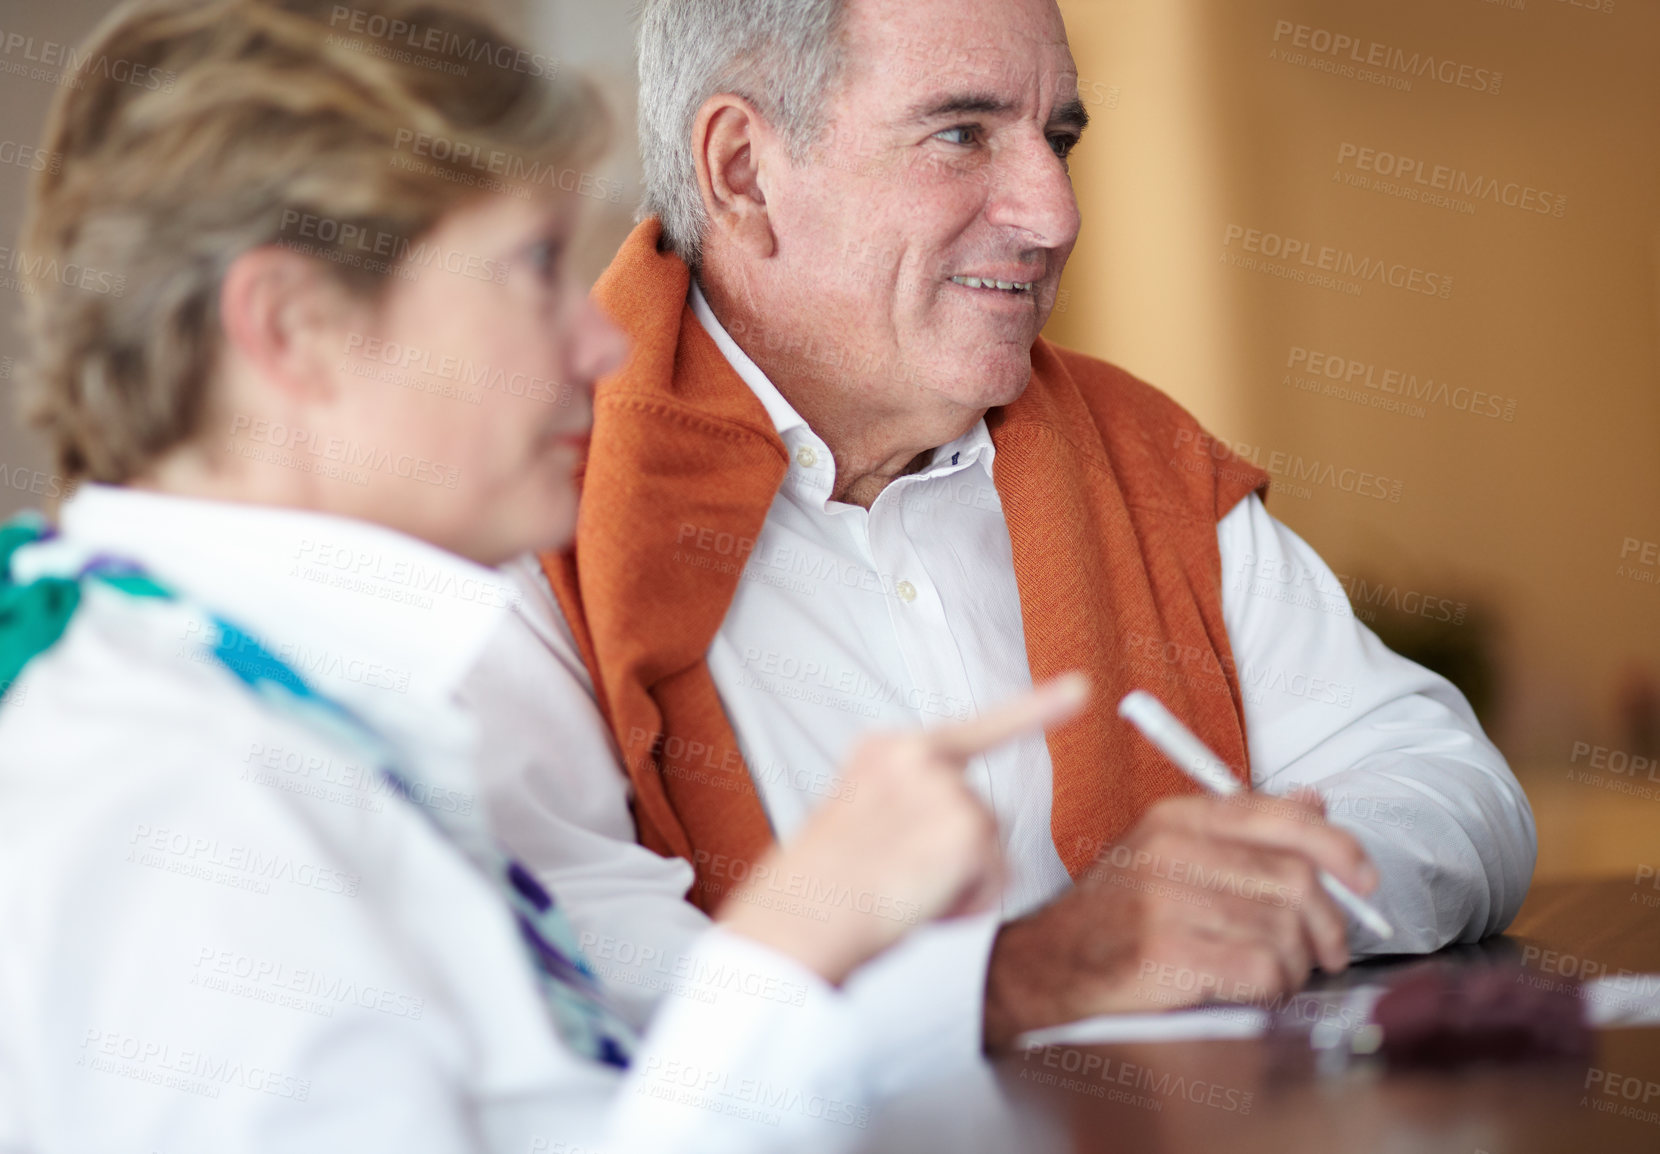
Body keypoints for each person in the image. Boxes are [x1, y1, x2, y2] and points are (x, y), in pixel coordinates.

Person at [0, 2, 1088, 1151]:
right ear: (293, 327)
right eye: (533, 268)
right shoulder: (168, 801)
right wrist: (785, 949)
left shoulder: (299, 695)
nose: (600, 343)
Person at [470, 0, 1539, 1084]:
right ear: (744, 170)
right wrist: (1025, 973)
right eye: (961, 132)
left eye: (1058, 139)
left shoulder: (1137, 453)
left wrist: (1270, 892)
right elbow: (585, 990)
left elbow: (1453, 786)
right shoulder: (514, 500)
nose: (1054, 212)